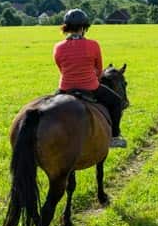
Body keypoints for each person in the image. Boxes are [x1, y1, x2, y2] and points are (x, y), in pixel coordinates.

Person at [53, 8, 127, 148]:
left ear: (66, 27)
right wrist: (91, 78)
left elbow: (61, 68)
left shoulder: (58, 47)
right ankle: (114, 137)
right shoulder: (93, 45)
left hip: (65, 88)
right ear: (84, 28)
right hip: (90, 87)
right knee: (116, 102)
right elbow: (99, 69)